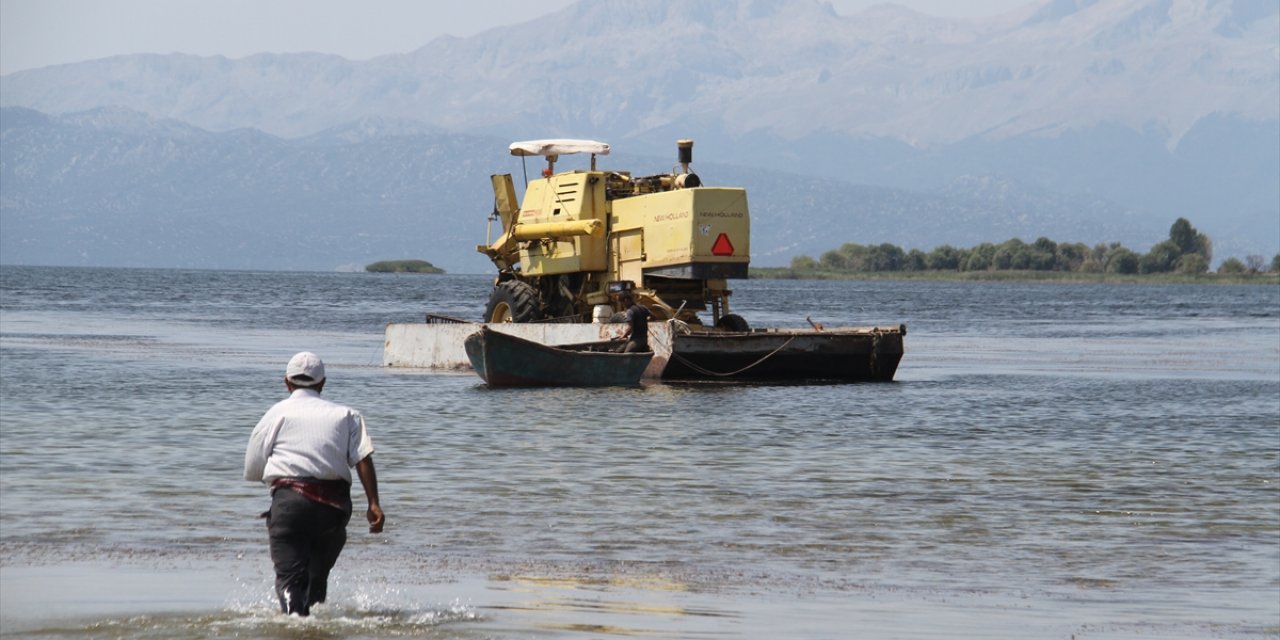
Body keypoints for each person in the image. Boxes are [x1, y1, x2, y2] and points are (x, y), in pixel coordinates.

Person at [244, 351, 385, 616]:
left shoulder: (275, 414)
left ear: (287, 383)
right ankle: (315, 625)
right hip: (333, 508)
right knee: (317, 578)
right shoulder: (347, 415)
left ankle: (296, 626)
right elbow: (363, 458)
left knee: (290, 580)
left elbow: (253, 468)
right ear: (322, 384)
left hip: (290, 505)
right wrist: (374, 504)